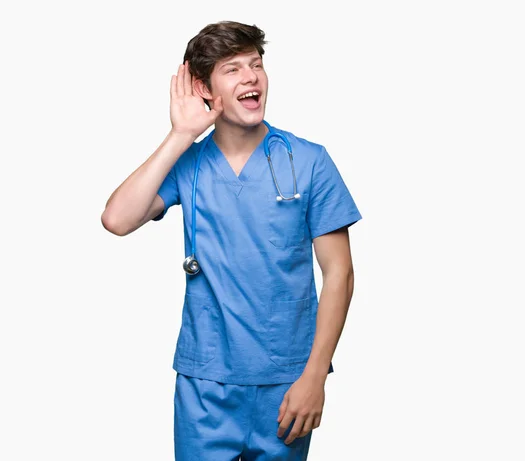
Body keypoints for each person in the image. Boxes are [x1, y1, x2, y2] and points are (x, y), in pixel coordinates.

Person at [101, 20, 362, 461]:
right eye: (233, 69)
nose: (251, 77)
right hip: (206, 385)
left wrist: (315, 376)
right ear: (205, 88)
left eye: (256, 65)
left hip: (287, 383)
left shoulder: (310, 161)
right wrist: (181, 134)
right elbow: (117, 219)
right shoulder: (190, 165)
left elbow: (340, 273)